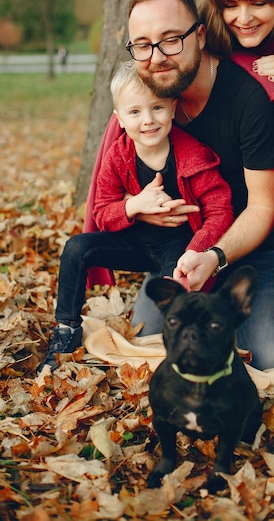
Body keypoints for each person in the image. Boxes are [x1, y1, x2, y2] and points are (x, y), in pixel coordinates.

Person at [118, 0, 274, 370]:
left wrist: (214, 257)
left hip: (269, 238)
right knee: (146, 340)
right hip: (197, 236)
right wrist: (137, 205)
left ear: (200, 36)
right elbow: (118, 183)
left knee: (267, 358)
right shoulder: (147, 100)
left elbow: (263, 208)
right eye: (143, 45)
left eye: (171, 39)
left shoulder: (251, 97)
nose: (157, 57)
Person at [37, 60, 234, 373]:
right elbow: (101, 211)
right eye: (135, 112)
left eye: (157, 108)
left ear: (172, 107)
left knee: (175, 295)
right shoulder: (118, 155)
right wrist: (135, 205)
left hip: (179, 246)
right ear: (119, 117)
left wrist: (197, 251)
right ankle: (66, 332)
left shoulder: (192, 154)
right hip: (134, 244)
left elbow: (220, 208)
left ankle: (188, 353)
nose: (147, 121)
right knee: (76, 247)